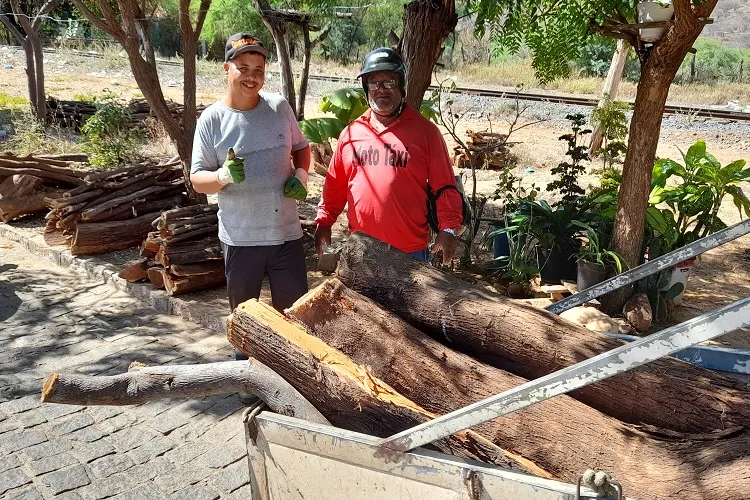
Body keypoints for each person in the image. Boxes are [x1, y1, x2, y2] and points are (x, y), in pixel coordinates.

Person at [190, 34, 311, 381]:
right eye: (243, 68)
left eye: (258, 69)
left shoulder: (279, 108)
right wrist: (223, 176)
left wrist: (301, 175)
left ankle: (293, 385)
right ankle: (247, 383)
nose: (251, 76)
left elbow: (302, 148)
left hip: (286, 235)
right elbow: (197, 179)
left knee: (294, 320)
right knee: (246, 320)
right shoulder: (212, 119)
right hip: (241, 240)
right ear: (226, 68)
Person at [314, 47, 463, 263]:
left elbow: (445, 186)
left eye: (390, 82)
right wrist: (324, 221)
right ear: (366, 88)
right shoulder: (351, 134)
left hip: (409, 254)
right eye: (374, 83)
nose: (381, 90)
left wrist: (448, 229)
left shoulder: (426, 133)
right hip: (362, 251)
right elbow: (334, 186)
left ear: (401, 86)